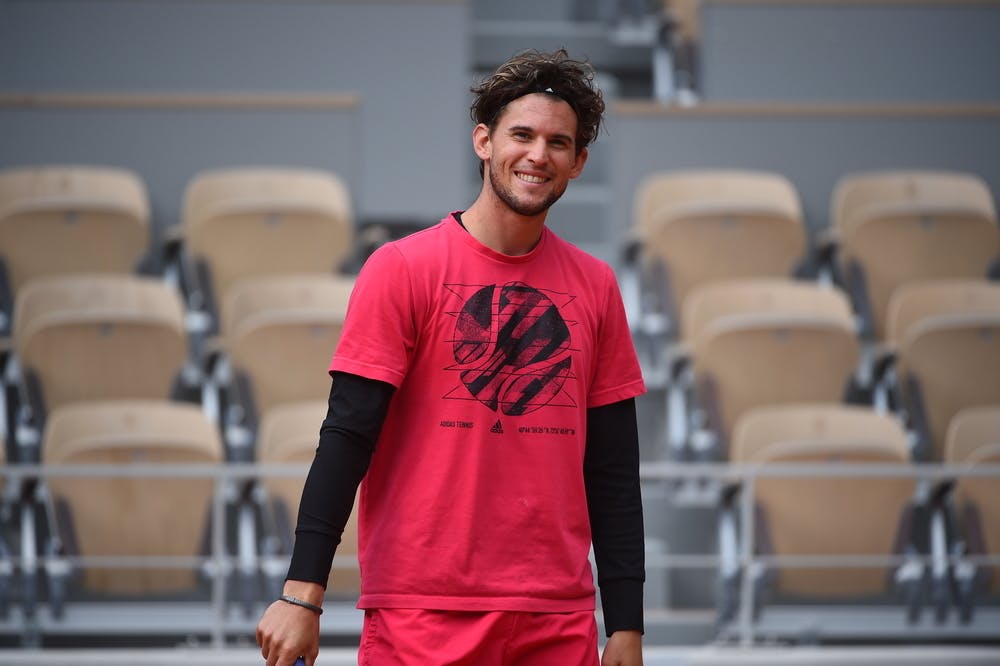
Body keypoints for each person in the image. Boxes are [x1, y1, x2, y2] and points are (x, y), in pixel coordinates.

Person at [257, 48, 646, 666]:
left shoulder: (596, 287)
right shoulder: (402, 268)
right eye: (522, 135)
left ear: (578, 163)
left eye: (558, 142)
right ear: (484, 141)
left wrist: (626, 623)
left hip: (557, 621)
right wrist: (302, 593)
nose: (538, 155)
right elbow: (347, 436)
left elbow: (614, 469)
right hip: (420, 615)